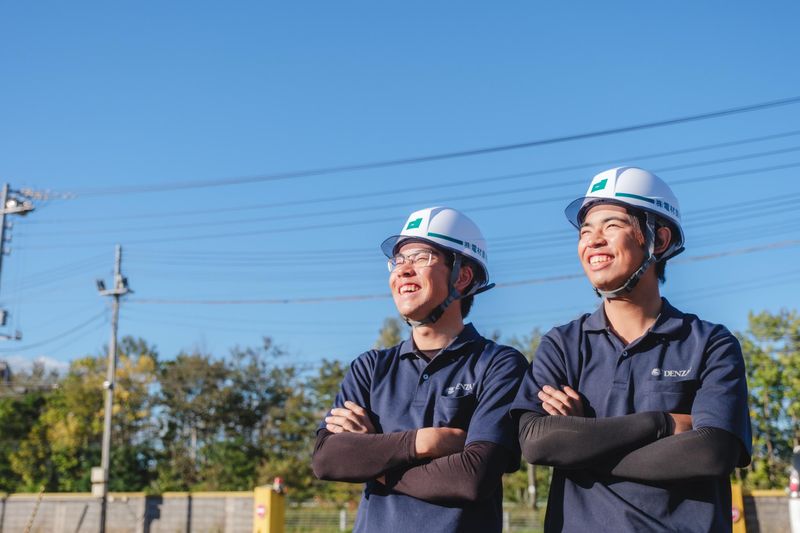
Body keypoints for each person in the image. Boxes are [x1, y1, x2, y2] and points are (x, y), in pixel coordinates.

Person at [511, 167, 752, 532]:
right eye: (585, 231)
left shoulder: (710, 343)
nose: (592, 240)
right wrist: (661, 423)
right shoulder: (562, 344)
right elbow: (536, 443)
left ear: (660, 239)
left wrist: (583, 441)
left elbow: (712, 452)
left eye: (611, 226)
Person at [313, 206, 527, 533]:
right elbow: (328, 459)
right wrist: (422, 442)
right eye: (398, 261)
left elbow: (472, 477)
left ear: (462, 277)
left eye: (421, 257)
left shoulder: (498, 365)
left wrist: (373, 457)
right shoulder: (370, 368)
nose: (403, 270)